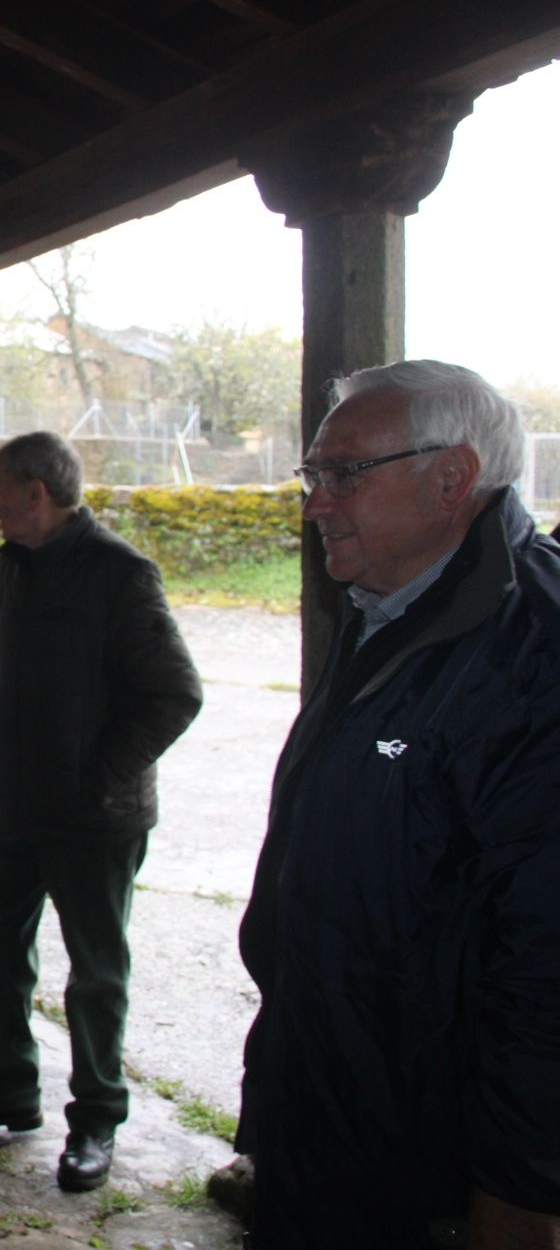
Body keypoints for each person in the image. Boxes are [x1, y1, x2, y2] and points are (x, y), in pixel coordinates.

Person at [237, 361, 560, 1249]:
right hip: (337, 1114)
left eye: (343, 474)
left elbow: (544, 955)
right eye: (314, 476)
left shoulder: (532, 651)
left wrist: (520, 1188)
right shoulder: (389, 610)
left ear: (452, 477)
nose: (317, 503)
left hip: (434, 1165)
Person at [0, 431, 201, 1194]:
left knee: (95, 972)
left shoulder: (120, 573)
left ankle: (98, 1120)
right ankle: (7, 1089)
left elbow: (176, 694)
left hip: (93, 818)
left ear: (36, 493)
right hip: (17, 805)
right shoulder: (18, 563)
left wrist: (98, 776)